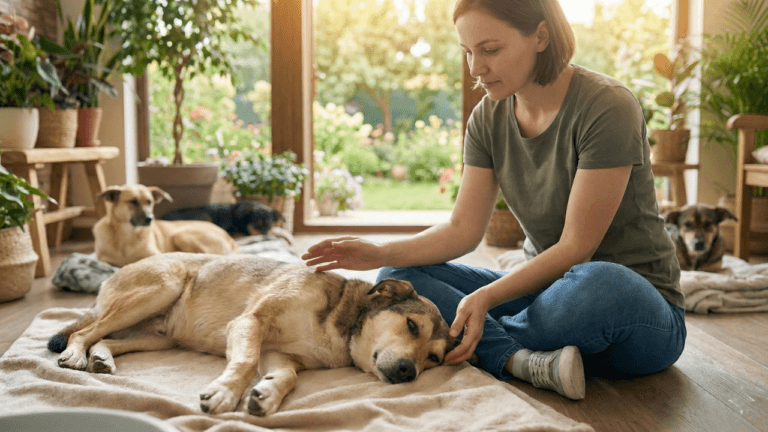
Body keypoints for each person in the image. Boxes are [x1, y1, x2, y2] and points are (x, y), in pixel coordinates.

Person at [302, 0, 686, 400]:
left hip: (632, 310)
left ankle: (489, 348)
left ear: (540, 35)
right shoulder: (487, 118)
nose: (475, 68)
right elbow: (462, 230)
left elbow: (577, 248)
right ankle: (520, 360)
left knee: (600, 280)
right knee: (401, 273)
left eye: (490, 50)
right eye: (467, 52)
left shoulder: (608, 106)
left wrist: (484, 298)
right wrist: (377, 253)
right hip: (543, 297)